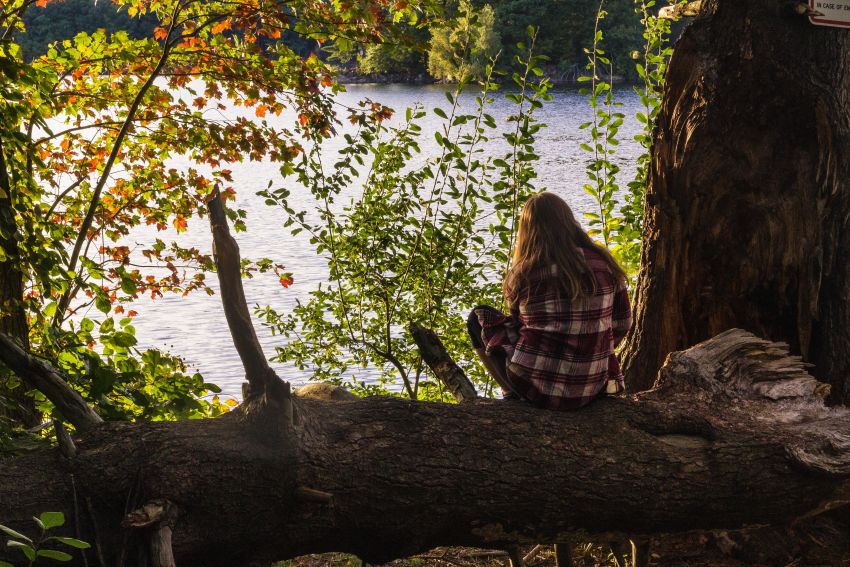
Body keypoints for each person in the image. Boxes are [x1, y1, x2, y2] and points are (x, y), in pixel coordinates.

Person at [467, 191, 632, 409]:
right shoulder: (605, 264)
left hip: (534, 390)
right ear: (569, 222)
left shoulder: (523, 273)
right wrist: (590, 348)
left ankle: (510, 393)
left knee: (477, 317)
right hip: (590, 389)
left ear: (528, 231)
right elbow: (623, 324)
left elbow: (518, 324)